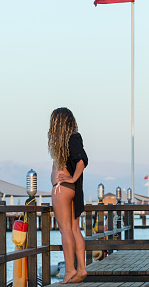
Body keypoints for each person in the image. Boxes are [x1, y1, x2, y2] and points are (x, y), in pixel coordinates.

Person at [48, 107, 88, 284]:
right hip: (71, 189)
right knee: (74, 229)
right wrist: (71, 180)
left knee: (65, 230)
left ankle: (70, 269)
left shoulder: (71, 139)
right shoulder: (65, 143)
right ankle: (81, 269)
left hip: (62, 190)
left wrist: (71, 178)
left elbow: (82, 160)